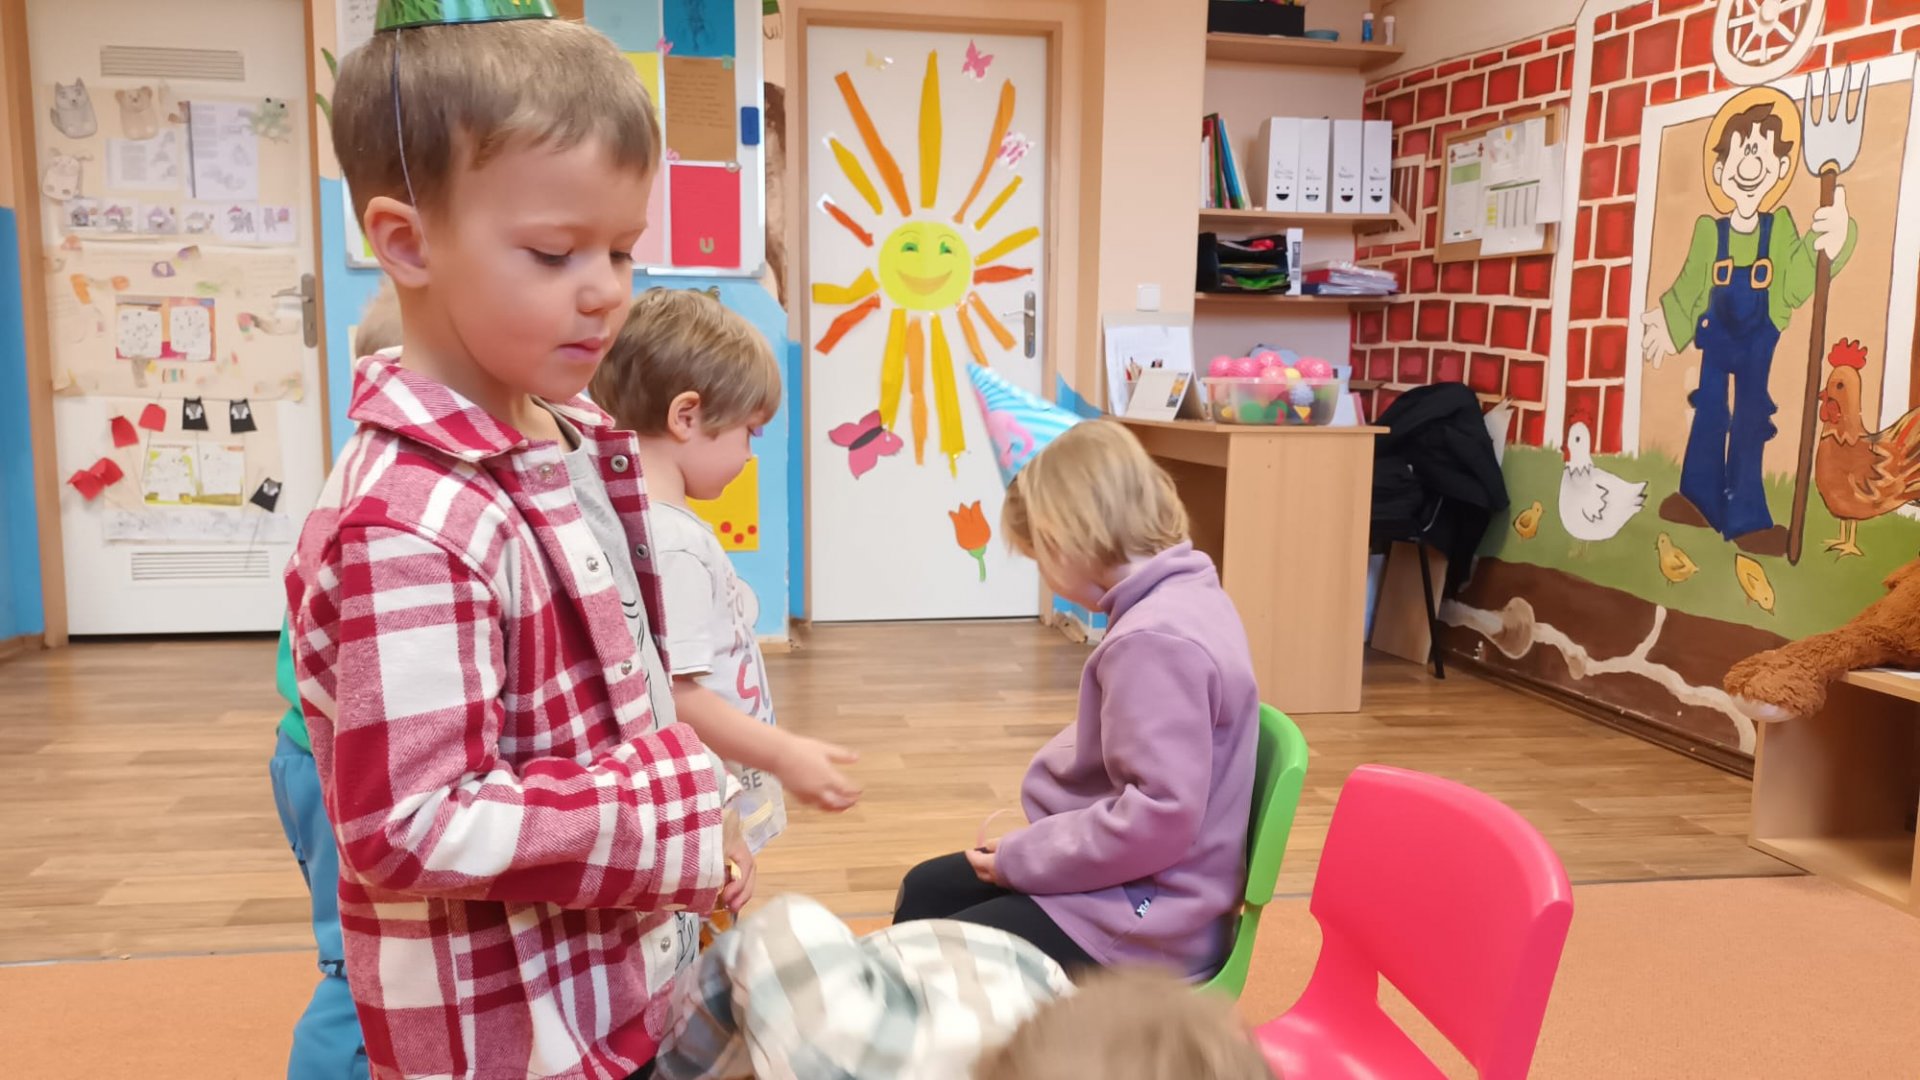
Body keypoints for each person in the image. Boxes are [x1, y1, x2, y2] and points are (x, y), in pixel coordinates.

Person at [283, 8, 746, 1079]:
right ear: (407, 242)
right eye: (553, 252)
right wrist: (674, 814)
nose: (608, 289)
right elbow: (411, 822)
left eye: (621, 250)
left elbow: (616, 696)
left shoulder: (570, 437)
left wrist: (702, 821)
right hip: (517, 1039)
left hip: (610, 987)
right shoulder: (409, 520)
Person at [893, 417, 1260, 981]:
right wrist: (1038, 847)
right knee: (929, 889)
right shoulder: (1190, 592)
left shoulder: (1153, 642)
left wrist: (1027, 858)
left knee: (931, 957)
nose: (1045, 576)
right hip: (1157, 888)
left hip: (1149, 918)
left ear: (1065, 542)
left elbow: (1156, 819)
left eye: (1039, 558)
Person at [592, 288, 860, 849]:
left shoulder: (637, 523)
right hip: (705, 805)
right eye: (749, 432)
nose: (750, 454)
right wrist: (782, 753)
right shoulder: (675, 544)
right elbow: (676, 696)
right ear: (686, 417)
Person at [265, 283, 401, 1080]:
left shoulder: (355, 466)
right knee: (361, 965)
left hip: (311, 757)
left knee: (362, 953)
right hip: (334, 765)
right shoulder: (383, 489)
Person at [1641, 88, 1856, 556]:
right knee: (1711, 411)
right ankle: (1699, 499)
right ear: (1720, 170)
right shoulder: (1708, 232)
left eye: (1760, 151)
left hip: (1759, 343)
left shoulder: (1778, 230)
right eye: (1740, 150)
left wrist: (1831, 237)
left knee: (1750, 418)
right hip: (1715, 342)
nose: (1750, 161)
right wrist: (1668, 323)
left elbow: (1797, 277)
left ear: (1779, 168)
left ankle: (1746, 517)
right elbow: (1691, 284)